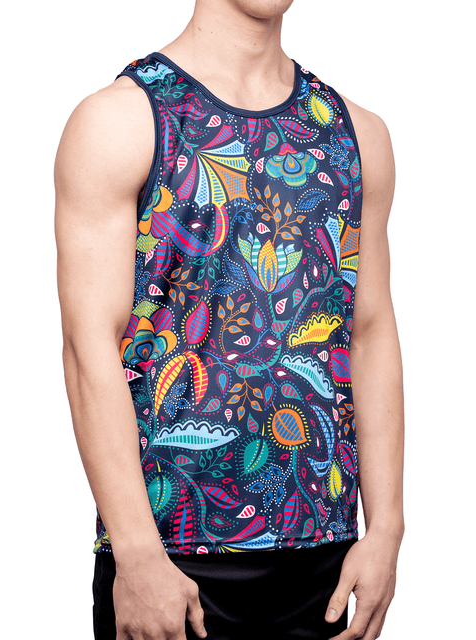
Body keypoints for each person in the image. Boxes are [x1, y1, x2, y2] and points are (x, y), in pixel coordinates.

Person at [54, 1, 404, 638]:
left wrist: (386, 528)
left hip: (323, 556)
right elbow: (87, 347)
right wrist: (136, 552)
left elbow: (370, 330)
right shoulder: (122, 120)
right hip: (171, 558)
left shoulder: (356, 133)